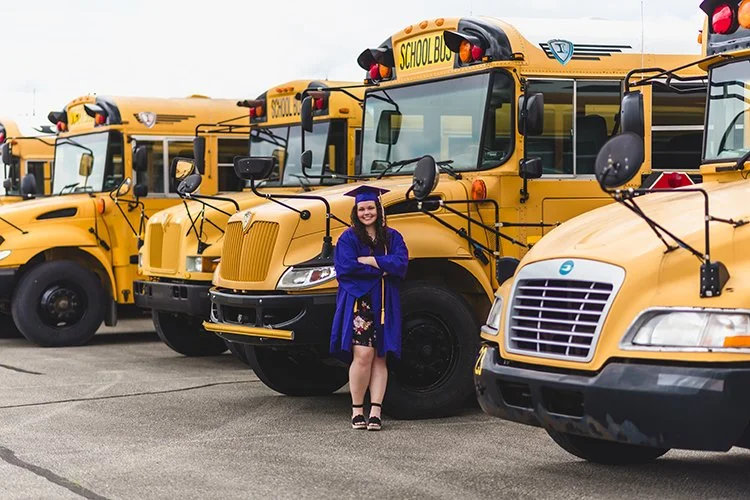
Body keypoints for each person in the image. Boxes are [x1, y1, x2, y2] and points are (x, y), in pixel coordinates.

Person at [330, 185, 408, 431]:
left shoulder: (392, 236)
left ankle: (376, 411)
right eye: (362, 208)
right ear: (356, 211)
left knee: (381, 357)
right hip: (359, 303)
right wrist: (382, 270)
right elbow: (345, 269)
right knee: (363, 355)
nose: (366, 212)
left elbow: (401, 263)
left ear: (378, 209)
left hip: (385, 303)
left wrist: (372, 260)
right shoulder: (348, 238)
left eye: (370, 208)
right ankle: (356, 410)